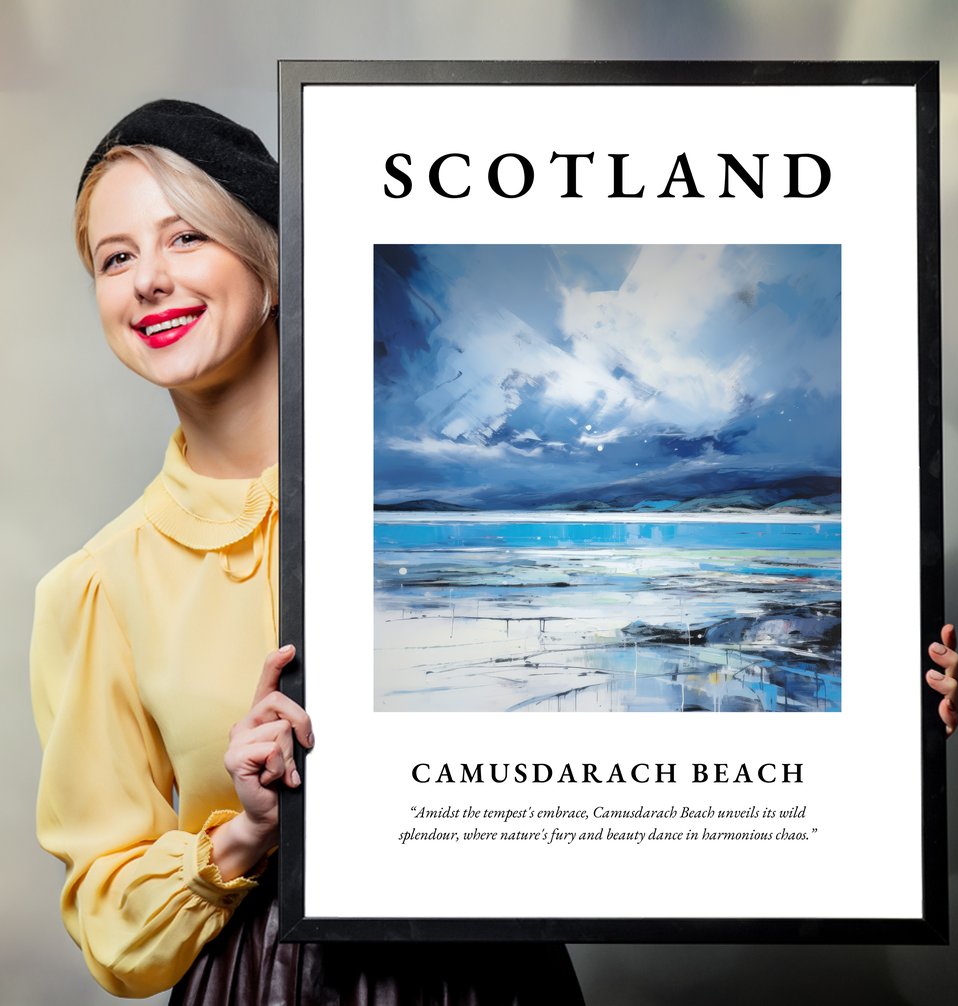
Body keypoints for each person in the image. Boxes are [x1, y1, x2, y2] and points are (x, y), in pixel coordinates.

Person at [30, 100, 586, 1004]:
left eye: (185, 239)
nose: (148, 281)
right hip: (262, 982)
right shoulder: (97, 587)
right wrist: (245, 832)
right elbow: (110, 923)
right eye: (116, 257)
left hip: (492, 973)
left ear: (273, 263)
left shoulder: (443, 507)